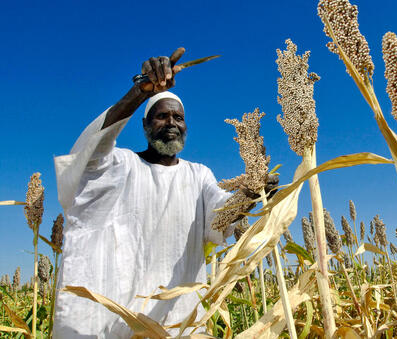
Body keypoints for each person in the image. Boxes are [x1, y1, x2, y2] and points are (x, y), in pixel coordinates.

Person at [53, 48, 275, 338]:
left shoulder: (198, 175)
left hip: (182, 324)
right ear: (145, 125)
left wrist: (250, 195)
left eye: (178, 118)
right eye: (162, 116)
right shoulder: (121, 165)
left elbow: (221, 217)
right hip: (121, 325)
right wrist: (140, 92)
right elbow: (87, 155)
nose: (172, 123)